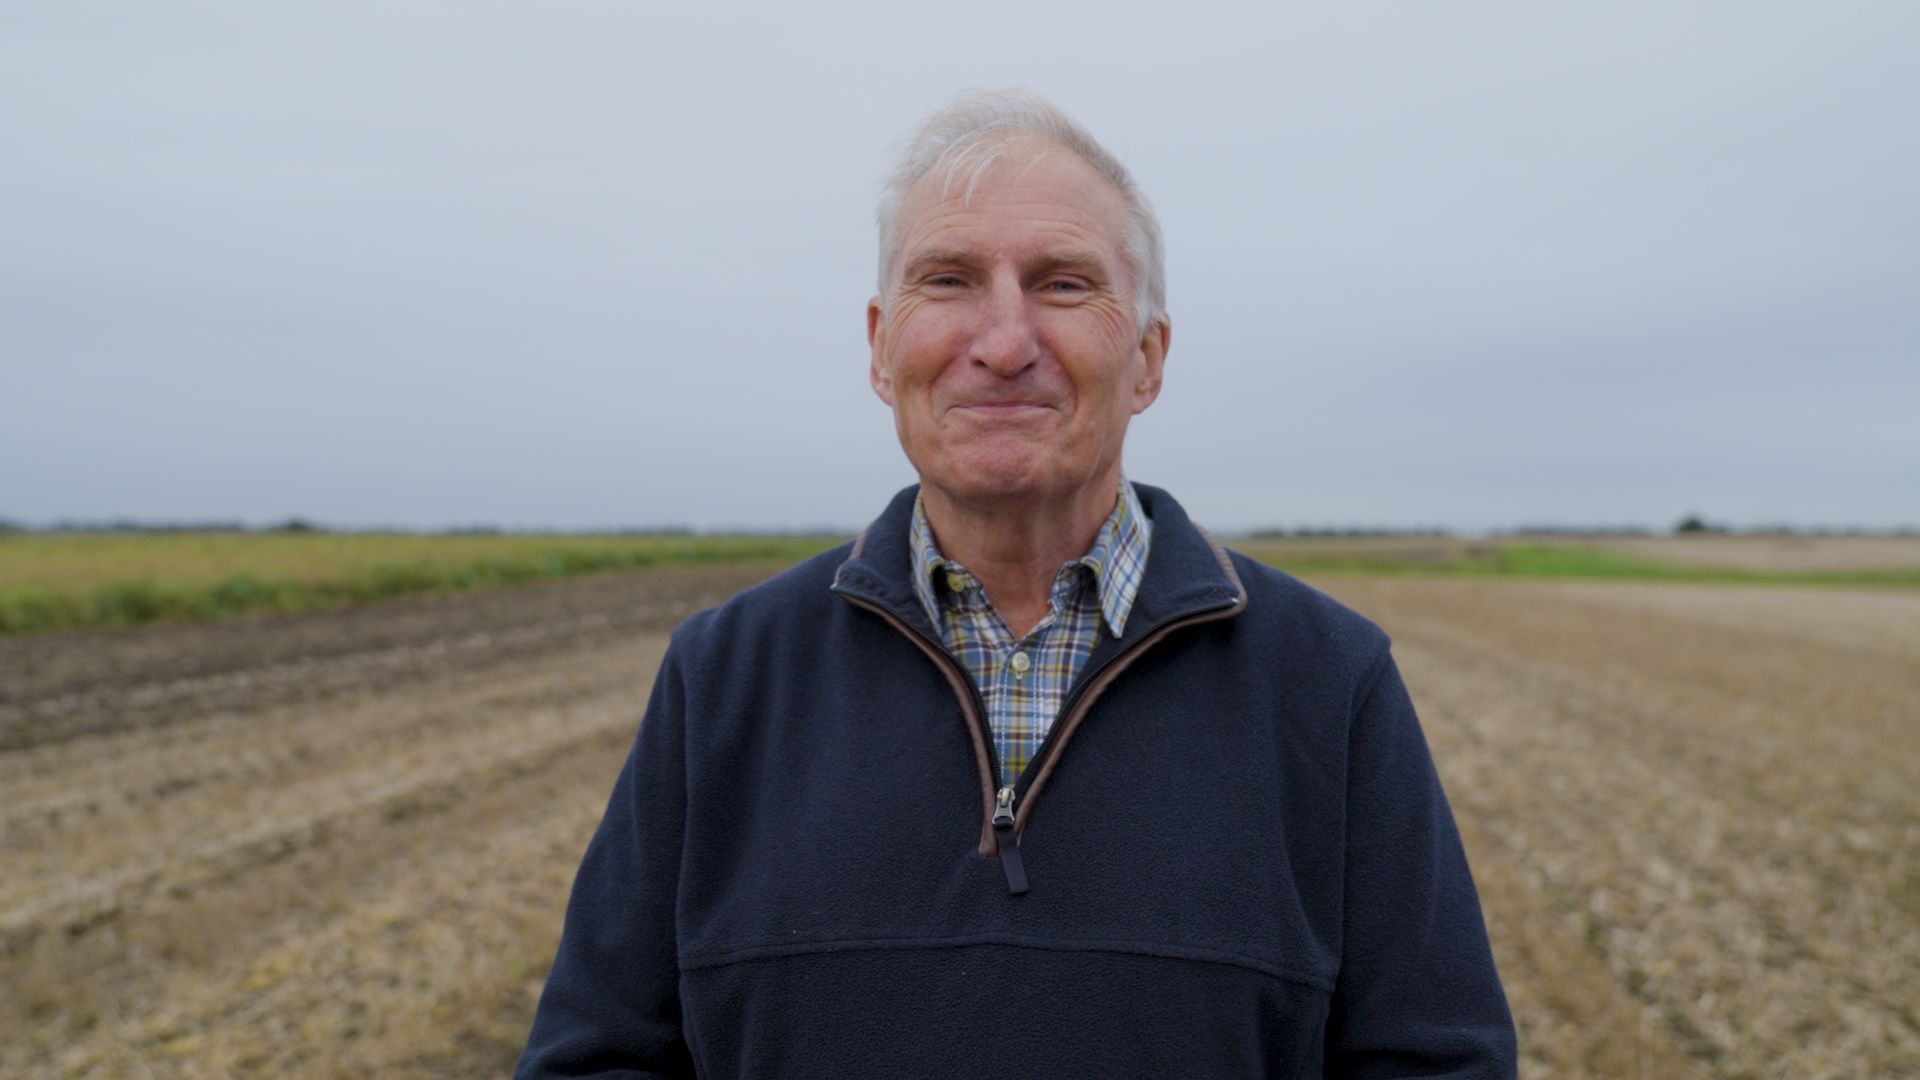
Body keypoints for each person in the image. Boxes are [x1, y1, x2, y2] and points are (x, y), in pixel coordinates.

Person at [516, 88, 1516, 1078]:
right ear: (879, 348)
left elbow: (1435, 1063)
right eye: (948, 280)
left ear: (1148, 359)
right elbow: (597, 1058)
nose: (1002, 344)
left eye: (1063, 285)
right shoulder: (723, 679)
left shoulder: (1329, 684)